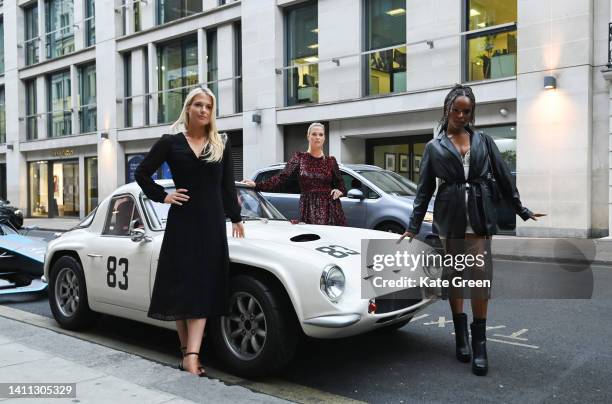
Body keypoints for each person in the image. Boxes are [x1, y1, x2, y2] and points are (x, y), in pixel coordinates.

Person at [399, 84, 545, 376]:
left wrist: (522, 210)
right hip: (450, 218)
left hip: (479, 217)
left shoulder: (485, 142)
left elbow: (504, 179)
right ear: (447, 109)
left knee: (479, 278)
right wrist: (413, 227)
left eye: (467, 111)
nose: (462, 115)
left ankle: (480, 344)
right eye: (457, 110)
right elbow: (424, 190)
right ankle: (461, 336)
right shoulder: (434, 147)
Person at [135, 87, 245, 377]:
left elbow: (227, 187)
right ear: (188, 109)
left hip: (210, 224)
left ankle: (192, 356)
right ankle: (187, 354)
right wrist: (164, 196)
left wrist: (236, 218)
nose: (203, 110)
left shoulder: (220, 142)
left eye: (208, 106)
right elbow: (141, 173)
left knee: (201, 288)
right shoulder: (170, 142)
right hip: (182, 223)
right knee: (183, 289)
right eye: (198, 104)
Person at [242, 122, 347, 226]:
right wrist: (257, 184)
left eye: (321, 135)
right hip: (308, 208)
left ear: (324, 138)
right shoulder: (299, 158)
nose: (317, 137)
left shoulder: (331, 161)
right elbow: (281, 178)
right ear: (308, 136)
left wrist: (339, 191)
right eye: (314, 134)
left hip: (331, 210)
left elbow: (342, 187)